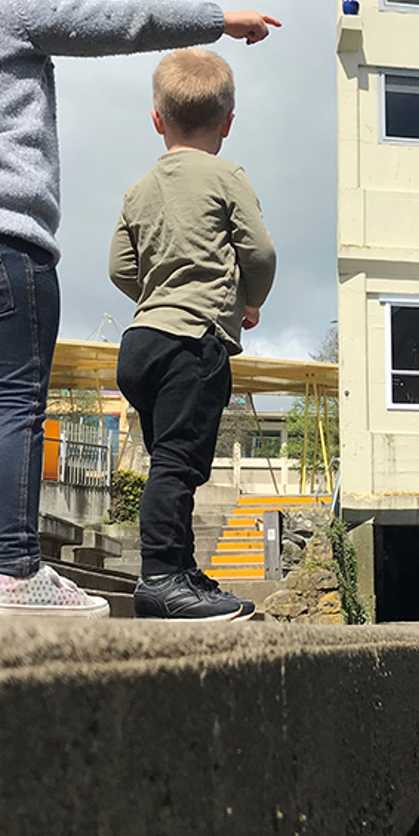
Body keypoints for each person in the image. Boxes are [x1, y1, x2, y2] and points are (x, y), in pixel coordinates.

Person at [0, 0, 278, 615]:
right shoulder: (1, 13)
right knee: (11, 402)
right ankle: (12, 576)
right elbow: (110, 23)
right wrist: (217, 21)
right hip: (1, 246)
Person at [110, 49, 276, 622]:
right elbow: (260, 251)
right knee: (178, 465)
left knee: (167, 459)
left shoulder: (138, 188)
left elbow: (119, 267)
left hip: (141, 342)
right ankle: (159, 577)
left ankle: (179, 571)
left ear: (157, 119)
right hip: (193, 338)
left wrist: (156, 295)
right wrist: (249, 301)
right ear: (227, 123)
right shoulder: (226, 175)